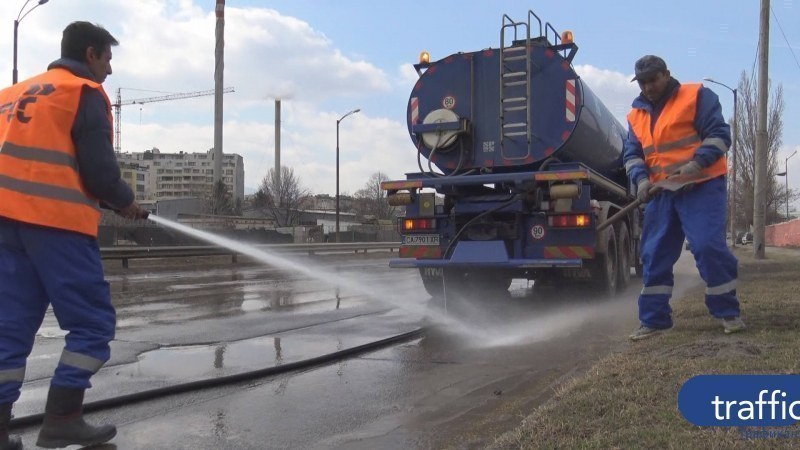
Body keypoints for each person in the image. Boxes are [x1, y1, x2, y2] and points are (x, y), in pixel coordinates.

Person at [0, 21, 148, 449]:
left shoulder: (14, 94)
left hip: (6, 227)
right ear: (90, 54)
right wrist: (125, 201)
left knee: (8, 330)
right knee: (92, 324)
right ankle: (63, 416)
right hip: (57, 226)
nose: (110, 71)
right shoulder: (82, 93)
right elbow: (100, 172)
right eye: (108, 59)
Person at [622, 55, 745, 341]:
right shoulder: (635, 116)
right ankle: (654, 321)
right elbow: (632, 156)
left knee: (707, 246)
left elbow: (719, 135)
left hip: (701, 185)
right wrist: (641, 181)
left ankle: (728, 312)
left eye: (653, 79)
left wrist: (695, 165)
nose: (648, 86)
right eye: (643, 82)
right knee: (653, 254)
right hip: (662, 193)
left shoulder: (697, 96)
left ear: (666, 74)